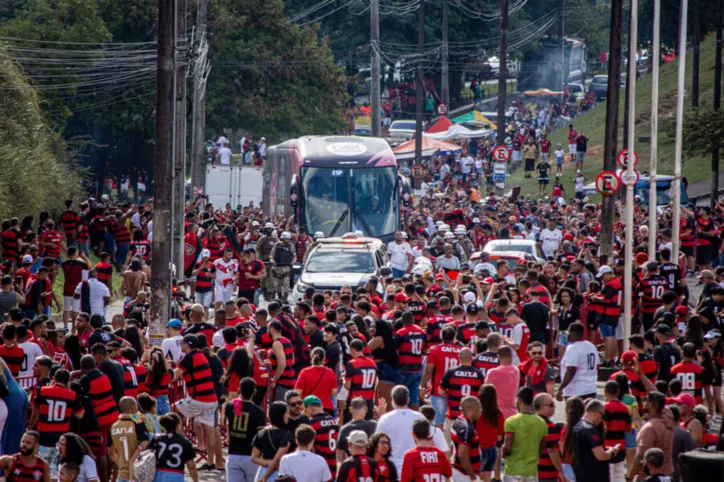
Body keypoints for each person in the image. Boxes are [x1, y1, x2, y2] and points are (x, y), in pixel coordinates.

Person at [30, 369, 84, 480]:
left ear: (54, 378)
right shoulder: (72, 395)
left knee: (39, 469)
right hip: (60, 439)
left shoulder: (43, 390)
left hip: (43, 436)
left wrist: (30, 428)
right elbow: (80, 415)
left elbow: (36, 413)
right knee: (55, 471)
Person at [377, 385, 426, 475]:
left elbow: (378, 444)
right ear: (408, 400)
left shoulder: (385, 419)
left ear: (392, 400)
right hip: (416, 467)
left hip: (393, 469)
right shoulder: (420, 417)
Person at [502, 387, 548, 482]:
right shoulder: (541, 422)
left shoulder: (511, 421)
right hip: (532, 472)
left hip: (513, 471)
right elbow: (542, 448)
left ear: (519, 400)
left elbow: (507, 447)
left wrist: (503, 453)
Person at [225, 377, 267, 482]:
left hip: (233, 454)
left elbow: (225, 423)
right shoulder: (259, 412)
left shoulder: (230, 406)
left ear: (239, 389)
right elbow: (261, 436)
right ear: (255, 392)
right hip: (251, 456)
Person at [571, 399, 620, 482]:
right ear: (596, 412)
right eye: (602, 415)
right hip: (594, 476)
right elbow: (601, 455)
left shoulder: (577, 427)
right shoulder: (590, 429)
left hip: (582, 474)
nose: (601, 419)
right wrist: (611, 451)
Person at [439, 348, 484, 437]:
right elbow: (482, 394)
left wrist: (449, 394)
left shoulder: (451, 372)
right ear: (471, 358)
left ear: (459, 357)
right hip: (471, 417)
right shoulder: (478, 374)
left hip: (453, 415)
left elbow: (440, 391)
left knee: (449, 446)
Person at [147, 413, 198, 482]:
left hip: (158, 475)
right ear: (178, 425)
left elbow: (148, 457)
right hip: (176, 475)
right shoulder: (185, 441)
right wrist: (196, 480)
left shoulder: (156, 439)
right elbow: (191, 466)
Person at [109, 397, 149, 482]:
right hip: (136, 475)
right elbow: (145, 443)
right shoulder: (137, 424)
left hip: (121, 475)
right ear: (132, 407)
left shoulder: (113, 426)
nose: (138, 408)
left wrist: (120, 463)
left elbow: (110, 452)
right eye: (136, 406)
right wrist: (133, 459)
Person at [251, 401, 293, 482]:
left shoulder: (261, 433)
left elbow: (254, 458)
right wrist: (265, 476)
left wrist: (267, 463)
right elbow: (277, 459)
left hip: (262, 471)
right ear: (281, 415)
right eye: (287, 413)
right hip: (278, 473)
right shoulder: (286, 435)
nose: (288, 416)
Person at [557, 322, 599, 401]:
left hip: (575, 392)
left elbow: (571, 370)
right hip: (591, 389)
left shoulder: (573, 347)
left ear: (575, 334)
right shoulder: (591, 345)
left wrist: (560, 389)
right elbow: (597, 366)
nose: (567, 335)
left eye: (569, 332)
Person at [295, 347, 338, 415]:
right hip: (327, 407)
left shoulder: (304, 372)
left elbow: (297, 392)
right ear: (324, 358)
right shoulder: (330, 372)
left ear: (311, 357)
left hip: (309, 408)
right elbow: (334, 392)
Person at [534, 393, 566, 482]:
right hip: (546, 473)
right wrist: (561, 473)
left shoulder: (530, 422)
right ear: (542, 406)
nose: (554, 407)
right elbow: (552, 450)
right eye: (551, 405)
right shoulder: (548, 425)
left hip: (530, 471)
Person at [450, 396, 483, 482]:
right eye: (479, 407)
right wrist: (473, 477)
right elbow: (462, 455)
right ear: (472, 409)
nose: (481, 410)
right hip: (465, 475)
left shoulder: (458, 420)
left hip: (457, 471)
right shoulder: (467, 428)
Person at [306, 395, 339, 479]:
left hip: (319, 465)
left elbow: (309, 446)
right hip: (333, 466)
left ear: (310, 408)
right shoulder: (334, 421)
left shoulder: (312, 423)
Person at [337, 397, 377, 462]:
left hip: (352, 466)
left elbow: (340, 454)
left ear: (350, 409)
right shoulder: (374, 425)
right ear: (366, 409)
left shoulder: (344, 429)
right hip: (370, 466)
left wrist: (347, 465)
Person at [484, 346, 519, 419]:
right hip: (513, 414)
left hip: (497, 414)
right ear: (511, 357)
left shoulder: (492, 372)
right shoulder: (516, 371)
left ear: (498, 357)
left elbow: (485, 391)